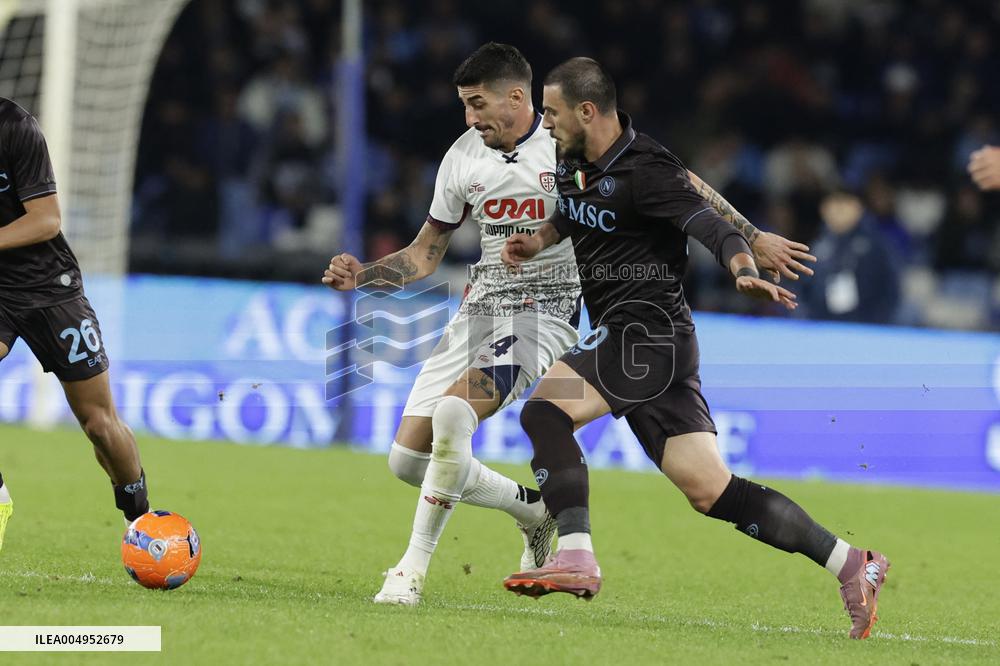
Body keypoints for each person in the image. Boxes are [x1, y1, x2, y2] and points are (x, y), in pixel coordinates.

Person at [323, 43, 811, 606]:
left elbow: (683, 184)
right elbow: (425, 253)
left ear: (515, 97)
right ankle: (533, 511)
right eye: (464, 105)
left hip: (545, 313)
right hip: (479, 311)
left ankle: (409, 572)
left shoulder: (568, 144)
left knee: (455, 414)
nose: (469, 118)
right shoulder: (462, 156)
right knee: (408, 461)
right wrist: (365, 276)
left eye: (477, 104)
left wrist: (750, 236)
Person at [499, 57, 888, 641]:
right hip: (654, 344)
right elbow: (577, 212)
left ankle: (575, 555)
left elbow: (710, 225)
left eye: (552, 112)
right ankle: (852, 563)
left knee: (544, 412)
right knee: (711, 491)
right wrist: (541, 238)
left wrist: (743, 267)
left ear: (587, 111)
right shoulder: (573, 158)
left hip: (645, 334)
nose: (544, 122)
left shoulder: (648, 169)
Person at [0, 97, 150, 553]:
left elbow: (46, 220)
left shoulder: (15, 127)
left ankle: (141, 519)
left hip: (52, 288)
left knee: (98, 423)